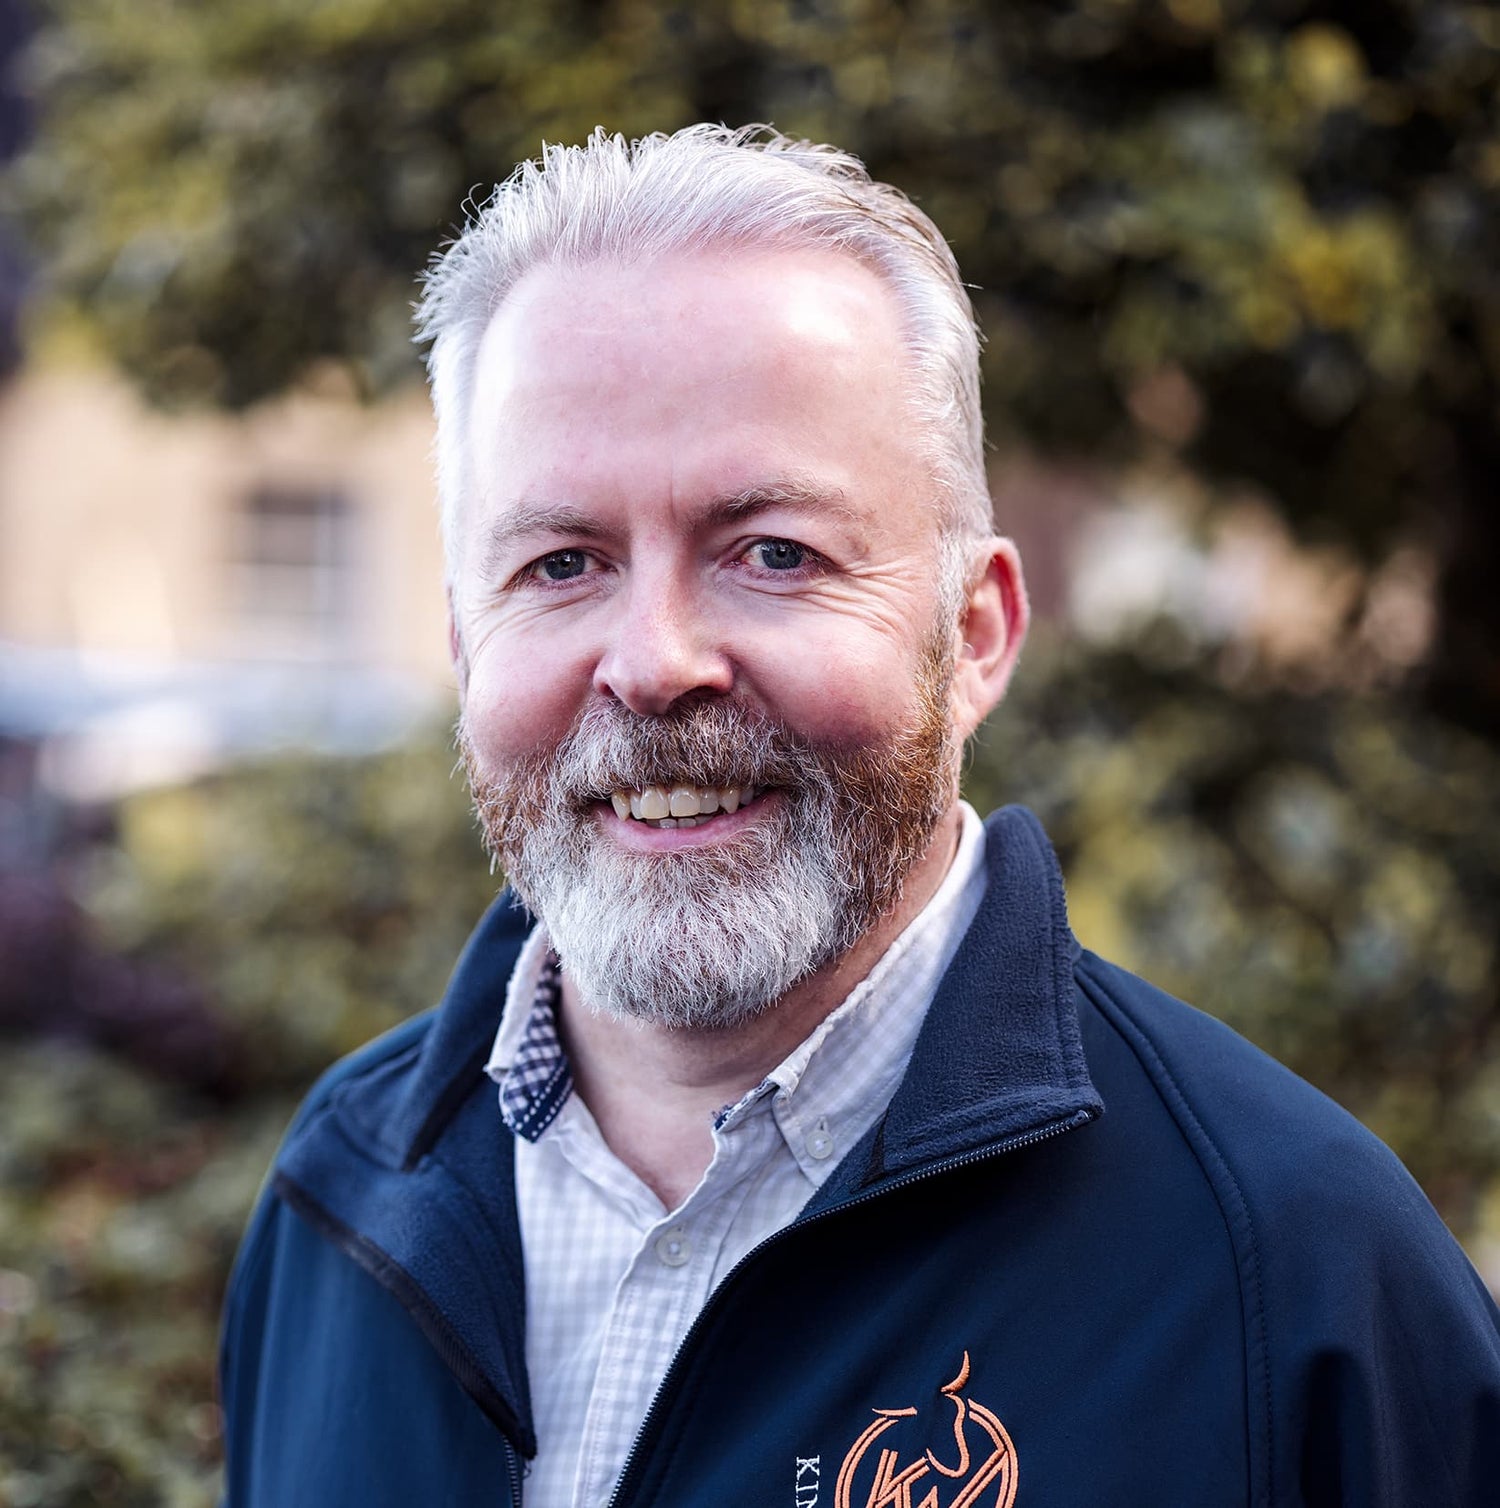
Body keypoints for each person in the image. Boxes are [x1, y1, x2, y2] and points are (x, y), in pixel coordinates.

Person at [219, 125, 1500, 1508]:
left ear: (979, 633)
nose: (654, 661)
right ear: (468, 646)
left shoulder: (1290, 1275)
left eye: (776, 552)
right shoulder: (337, 1200)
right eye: (561, 562)